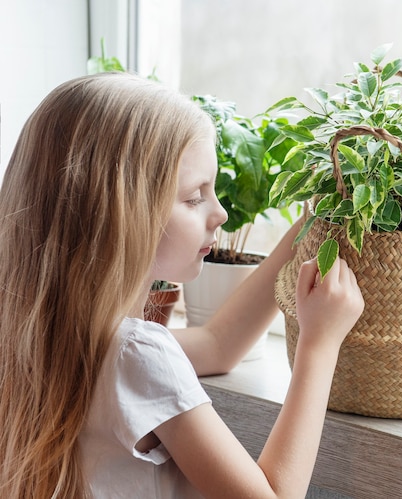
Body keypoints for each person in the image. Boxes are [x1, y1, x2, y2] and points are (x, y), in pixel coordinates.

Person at [0, 72, 364, 498]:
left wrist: (307, 227)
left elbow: (217, 343)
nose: (221, 214)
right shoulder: (135, 353)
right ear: (122, 214)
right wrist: (319, 343)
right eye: (195, 197)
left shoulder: (43, 331)